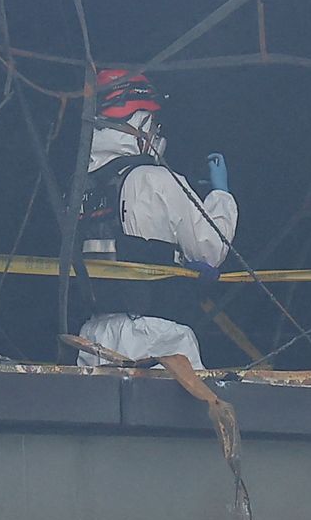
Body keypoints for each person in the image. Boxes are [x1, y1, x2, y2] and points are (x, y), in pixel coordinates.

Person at [69, 67, 239, 367]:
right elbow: (210, 248)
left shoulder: (80, 190)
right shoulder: (156, 180)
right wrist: (221, 195)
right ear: (142, 121)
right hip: (159, 340)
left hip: (96, 338)